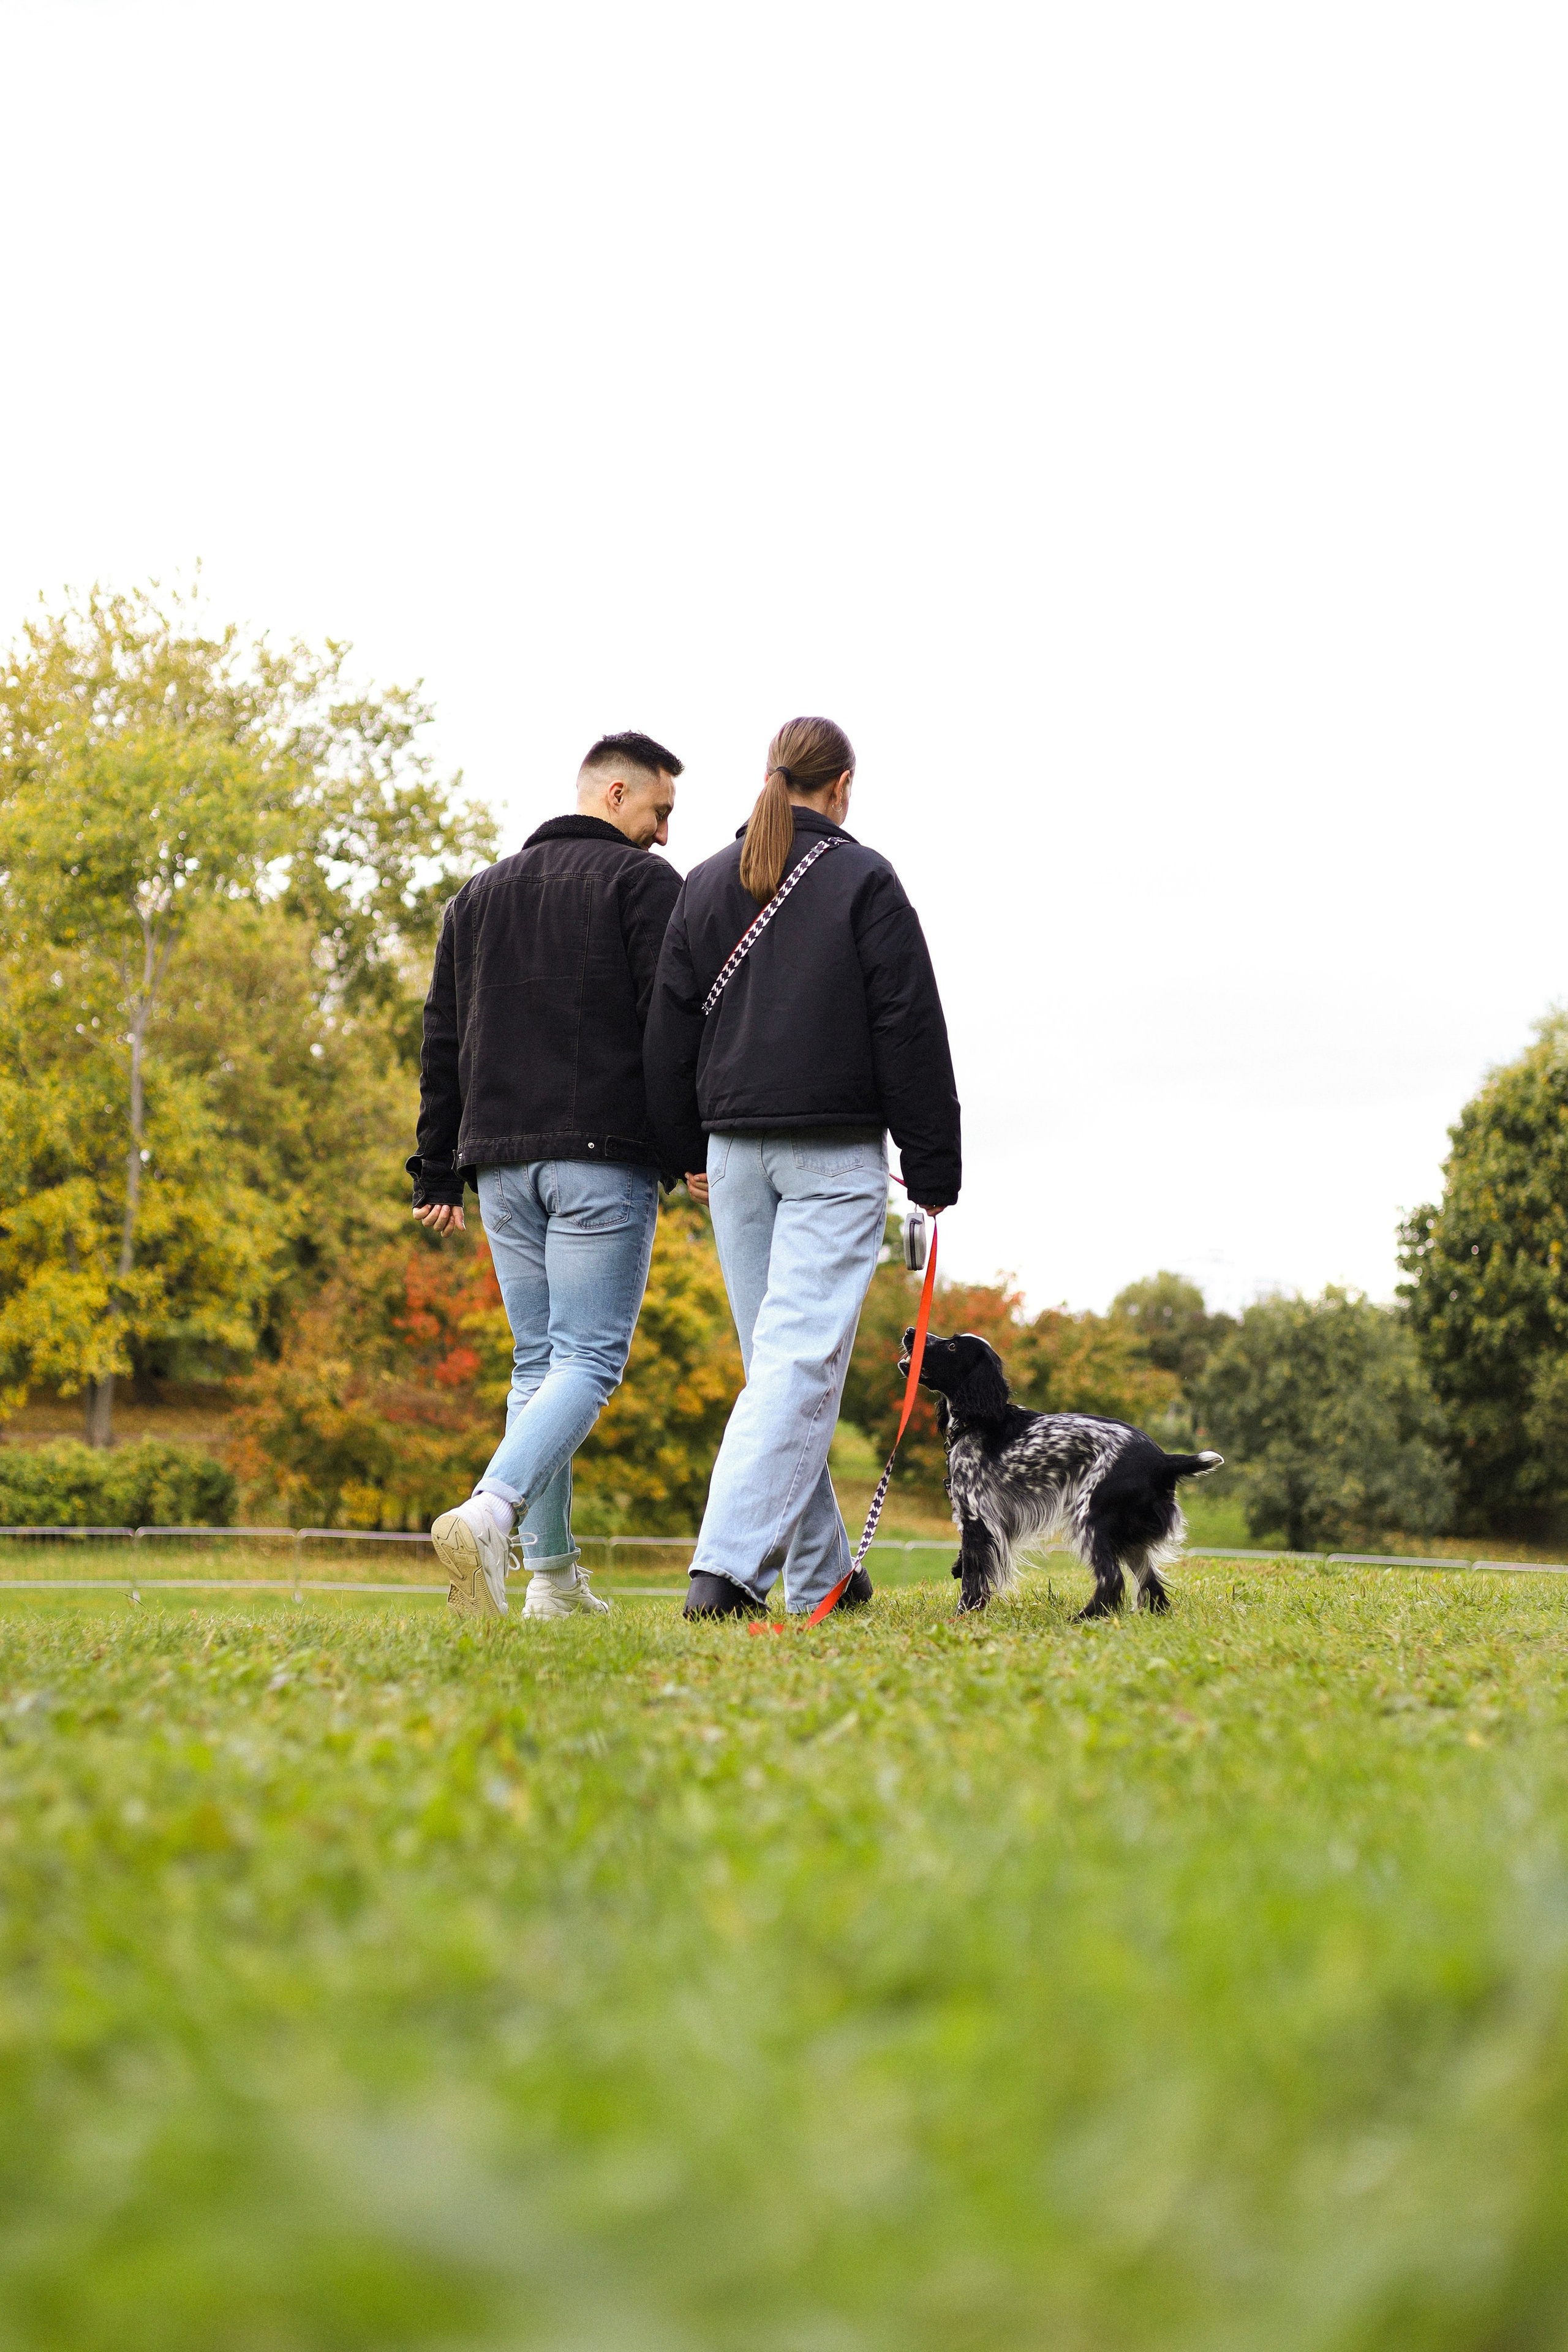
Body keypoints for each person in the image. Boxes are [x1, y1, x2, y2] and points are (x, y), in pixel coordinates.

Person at [644, 715, 960, 1619]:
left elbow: (666, 1036)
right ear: (843, 784)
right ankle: (728, 1575)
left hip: (735, 1159)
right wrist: (933, 1164)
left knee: (780, 1367)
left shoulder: (704, 885)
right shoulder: (865, 879)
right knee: (795, 1367)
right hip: (829, 1156)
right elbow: (908, 1027)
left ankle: (825, 1578)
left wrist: (682, 1150)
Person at [409, 731, 685, 1619]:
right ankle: (491, 1512)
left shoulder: (476, 897)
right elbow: (669, 1032)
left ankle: (555, 1583)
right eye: (659, 810)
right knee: (591, 1362)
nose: (666, 834)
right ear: (613, 795)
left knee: (540, 1365)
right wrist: (691, 1144)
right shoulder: (643, 886)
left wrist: (437, 1170)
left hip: (498, 1165)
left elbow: (441, 1038)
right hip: (600, 1159)